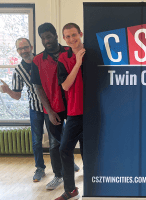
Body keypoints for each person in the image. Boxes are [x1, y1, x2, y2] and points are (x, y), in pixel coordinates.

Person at [31, 23, 81, 190]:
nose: (46, 40)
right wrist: (49, 111)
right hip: (53, 108)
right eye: (43, 38)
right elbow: (37, 87)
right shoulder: (37, 60)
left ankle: (87, 172)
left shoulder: (70, 52)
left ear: (56, 36)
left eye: (49, 37)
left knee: (81, 140)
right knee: (55, 144)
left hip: (73, 104)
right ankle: (59, 175)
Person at [0, 38, 49, 182]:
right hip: (35, 108)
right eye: (20, 49)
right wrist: (8, 90)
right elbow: (17, 95)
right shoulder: (18, 71)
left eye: (25, 48)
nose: (23, 51)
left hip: (51, 107)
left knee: (59, 136)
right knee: (36, 140)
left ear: (31, 47)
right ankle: (40, 168)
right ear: (17, 51)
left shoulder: (43, 60)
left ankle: (67, 163)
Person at [54, 22, 86, 200]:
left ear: (80, 33)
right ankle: (71, 190)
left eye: (74, 35)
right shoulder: (63, 58)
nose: (72, 39)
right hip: (74, 112)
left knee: (88, 152)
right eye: (68, 36)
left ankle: (93, 185)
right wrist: (78, 63)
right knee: (65, 150)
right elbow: (66, 85)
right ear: (64, 39)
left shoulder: (92, 52)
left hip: (92, 111)